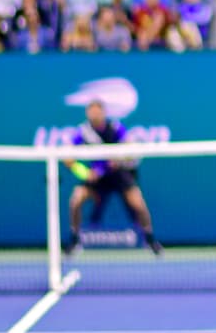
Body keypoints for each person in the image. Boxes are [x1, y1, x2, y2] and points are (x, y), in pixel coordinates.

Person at [64, 99, 163, 255]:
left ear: (103, 113)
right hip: (97, 177)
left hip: (118, 175)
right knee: (76, 199)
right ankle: (75, 240)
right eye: (91, 112)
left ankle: (149, 239)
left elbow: (130, 149)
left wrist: (118, 159)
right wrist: (85, 173)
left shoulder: (115, 128)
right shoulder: (83, 131)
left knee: (139, 203)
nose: (94, 115)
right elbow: (67, 158)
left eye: (97, 111)